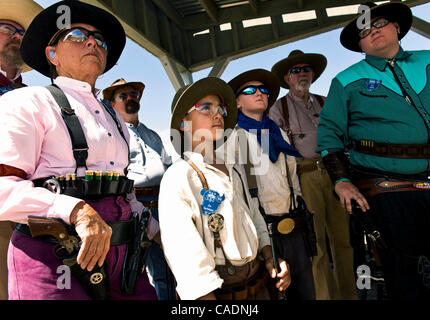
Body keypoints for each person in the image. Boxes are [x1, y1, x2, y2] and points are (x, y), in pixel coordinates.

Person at [0, 0, 157, 300]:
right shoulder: (25, 102)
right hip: (51, 259)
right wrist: (75, 210)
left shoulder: (116, 119)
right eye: (76, 36)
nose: (91, 42)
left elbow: (125, 194)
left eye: (99, 40)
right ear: (52, 54)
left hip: (123, 261)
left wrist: (157, 230)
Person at [316, 1, 430, 300]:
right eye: (365, 30)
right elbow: (329, 137)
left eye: (379, 23)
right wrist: (341, 181)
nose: (373, 31)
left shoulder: (429, 60)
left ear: (397, 28)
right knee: (405, 276)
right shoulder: (345, 81)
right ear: (359, 44)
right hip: (387, 190)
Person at [158, 77, 291, 300]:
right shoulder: (179, 177)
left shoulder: (234, 169)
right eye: (205, 107)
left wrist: (269, 257)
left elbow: (254, 219)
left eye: (220, 108)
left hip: (259, 285)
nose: (218, 114)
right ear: (183, 123)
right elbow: (187, 260)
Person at [269, 51, 357, 300]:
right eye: (295, 71)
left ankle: (348, 296)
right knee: (316, 246)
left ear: (313, 74)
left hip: (335, 174)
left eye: (306, 69)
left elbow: (344, 136)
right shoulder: (278, 109)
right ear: (286, 78)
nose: (302, 74)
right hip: (304, 178)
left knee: (343, 243)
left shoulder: (326, 102)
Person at [227, 68, 316, 300]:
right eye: (250, 90)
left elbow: (292, 177)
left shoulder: (279, 134)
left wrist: (300, 204)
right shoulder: (233, 138)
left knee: (305, 292)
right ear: (236, 103)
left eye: (263, 90)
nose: (259, 93)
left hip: (293, 226)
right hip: (263, 234)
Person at [102, 78, 176, 300]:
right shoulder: (112, 135)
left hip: (163, 205)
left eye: (133, 94)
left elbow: (168, 166)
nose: (130, 98)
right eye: (123, 96)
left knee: (169, 268)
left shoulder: (153, 135)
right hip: (134, 209)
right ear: (113, 104)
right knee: (138, 270)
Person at [0, 0, 43, 300]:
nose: (16, 36)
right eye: (6, 29)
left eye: (21, 33)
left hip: (32, 210)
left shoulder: (34, 97)